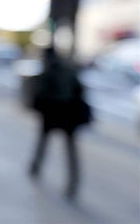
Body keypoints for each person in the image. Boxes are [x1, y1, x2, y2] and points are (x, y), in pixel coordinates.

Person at [28, 46, 92, 199]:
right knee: (70, 150)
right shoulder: (68, 70)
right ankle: (73, 182)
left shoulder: (48, 72)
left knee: (43, 143)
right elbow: (80, 90)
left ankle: (36, 167)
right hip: (68, 114)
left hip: (53, 114)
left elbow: (40, 94)